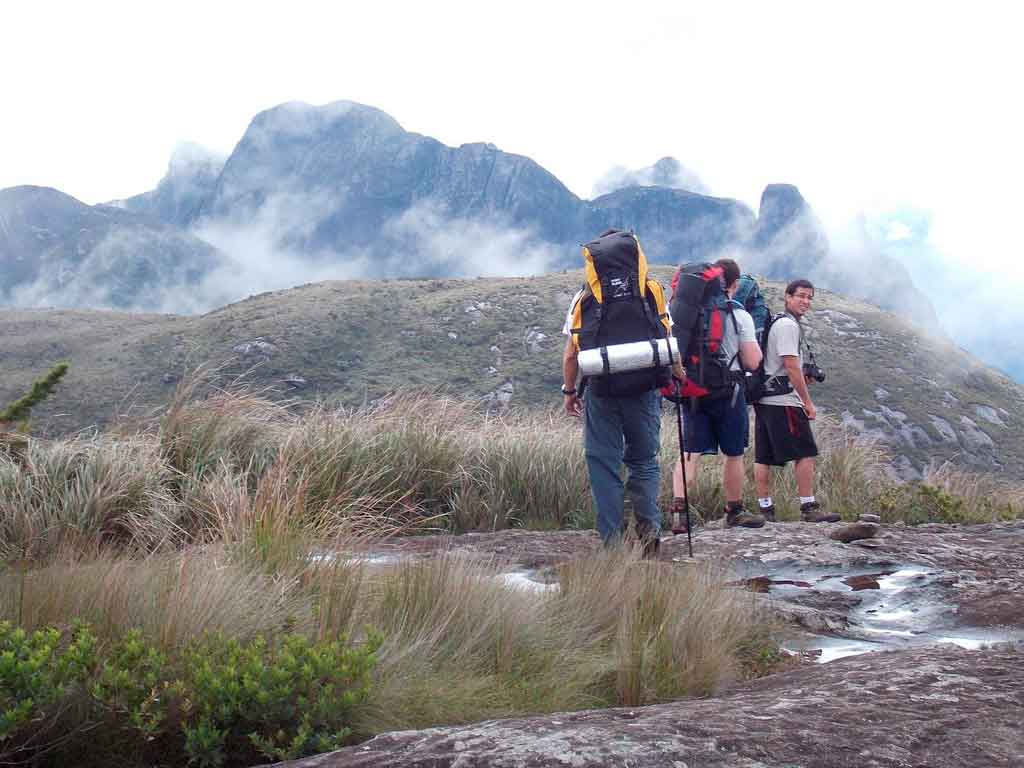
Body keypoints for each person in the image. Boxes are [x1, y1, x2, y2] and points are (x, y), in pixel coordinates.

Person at [561, 230, 669, 555]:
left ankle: (613, 544)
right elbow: (667, 338)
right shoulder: (651, 290)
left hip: (602, 390)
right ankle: (649, 531)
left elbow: (571, 355)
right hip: (644, 389)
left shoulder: (585, 297)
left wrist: (569, 391)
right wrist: (676, 376)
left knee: (604, 464)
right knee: (644, 460)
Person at [668, 258, 764, 529]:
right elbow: (752, 361)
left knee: (690, 453)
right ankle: (734, 510)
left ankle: (679, 513)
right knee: (734, 454)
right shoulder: (738, 314)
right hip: (729, 392)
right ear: (734, 284)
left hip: (692, 391)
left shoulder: (683, 313)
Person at [752, 278, 839, 523]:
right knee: (806, 452)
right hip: (785, 401)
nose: (806, 301)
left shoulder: (776, 321)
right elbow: (790, 365)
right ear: (787, 297)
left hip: (765, 398)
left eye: (810, 297)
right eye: (801, 295)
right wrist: (807, 402)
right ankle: (809, 508)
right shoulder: (788, 326)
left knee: (764, 456)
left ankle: (766, 510)